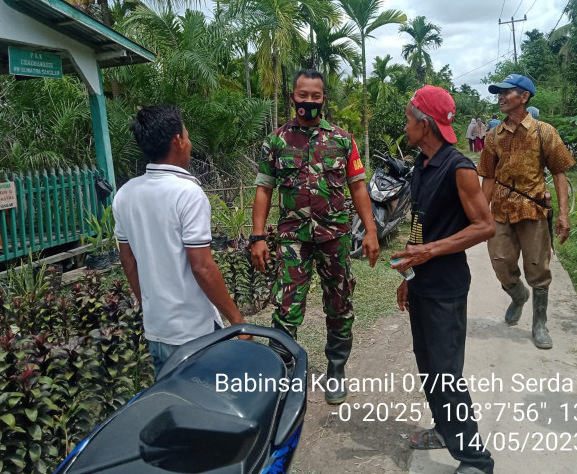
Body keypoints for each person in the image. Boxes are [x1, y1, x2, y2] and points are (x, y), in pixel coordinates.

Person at [250, 69, 380, 404]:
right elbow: (264, 190)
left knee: (339, 305)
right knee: (286, 308)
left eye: (315, 96)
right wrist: (257, 236)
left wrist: (371, 230)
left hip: (334, 237)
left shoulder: (342, 140)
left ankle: (336, 370)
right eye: (303, 95)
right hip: (293, 239)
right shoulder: (276, 141)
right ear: (292, 96)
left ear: (324, 98)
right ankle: (280, 376)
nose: (309, 101)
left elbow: (358, 186)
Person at [391, 85, 495, 474]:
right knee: (427, 363)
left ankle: (476, 460)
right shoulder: (422, 165)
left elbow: (485, 227)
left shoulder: (459, 168)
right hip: (422, 285)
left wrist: (431, 251)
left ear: (425, 124)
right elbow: (420, 224)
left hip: (447, 289)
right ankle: (443, 429)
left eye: (408, 120)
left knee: (447, 375)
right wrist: (409, 271)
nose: (405, 127)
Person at [113, 105, 248, 379]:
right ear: (177, 141)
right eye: (186, 135)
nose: (188, 142)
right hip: (194, 333)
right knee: (209, 408)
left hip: (157, 330)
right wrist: (237, 320)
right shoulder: (188, 193)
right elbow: (202, 266)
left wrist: (149, 303)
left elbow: (128, 259)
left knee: (174, 407)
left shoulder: (125, 194)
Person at [477, 74, 575, 349]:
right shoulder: (493, 136)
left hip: (533, 210)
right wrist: (480, 215)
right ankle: (518, 295)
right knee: (499, 261)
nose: (501, 97)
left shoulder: (545, 132)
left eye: (506, 92)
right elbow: (487, 177)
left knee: (537, 267)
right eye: (499, 93)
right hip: (500, 211)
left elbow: (559, 173)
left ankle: (539, 323)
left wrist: (564, 215)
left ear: (524, 96)